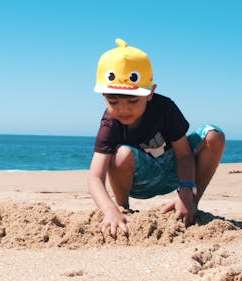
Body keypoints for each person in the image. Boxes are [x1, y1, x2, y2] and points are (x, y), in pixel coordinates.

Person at [88, 38, 226, 238]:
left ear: (150, 93)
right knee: (121, 154)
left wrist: (186, 190)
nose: (123, 109)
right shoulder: (110, 122)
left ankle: (190, 205)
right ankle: (123, 208)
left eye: (132, 100)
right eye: (113, 101)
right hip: (138, 181)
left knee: (214, 135)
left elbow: (184, 156)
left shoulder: (165, 108)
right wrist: (110, 211)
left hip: (175, 174)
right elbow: (95, 177)